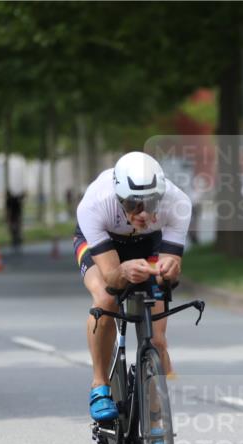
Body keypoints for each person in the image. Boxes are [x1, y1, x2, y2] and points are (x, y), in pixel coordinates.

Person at [74, 151, 191, 423]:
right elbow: (113, 278)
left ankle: (156, 424)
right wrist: (122, 271)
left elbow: (169, 278)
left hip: (149, 243)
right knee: (106, 299)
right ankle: (99, 384)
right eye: (131, 204)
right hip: (104, 244)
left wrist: (169, 272)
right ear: (117, 197)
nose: (142, 213)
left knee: (158, 339)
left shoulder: (178, 203)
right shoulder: (95, 204)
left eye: (150, 203)